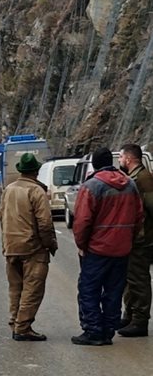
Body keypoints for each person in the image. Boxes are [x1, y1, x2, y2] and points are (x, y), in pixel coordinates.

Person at [71, 148, 144, 346]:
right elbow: (139, 217)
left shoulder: (92, 186)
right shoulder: (130, 184)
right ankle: (109, 330)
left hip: (97, 249)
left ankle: (94, 331)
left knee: (89, 289)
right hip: (122, 249)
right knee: (114, 291)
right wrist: (128, 238)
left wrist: (82, 244)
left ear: (94, 164)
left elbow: (82, 221)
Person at [0, 153, 58, 341]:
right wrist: (50, 244)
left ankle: (15, 322)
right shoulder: (36, 191)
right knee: (33, 289)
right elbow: (45, 224)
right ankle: (22, 327)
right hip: (32, 248)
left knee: (15, 288)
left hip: (11, 246)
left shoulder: (9, 189)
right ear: (36, 171)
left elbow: (1, 216)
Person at [117, 144, 153, 337]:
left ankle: (140, 321)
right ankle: (129, 315)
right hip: (133, 239)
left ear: (129, 159)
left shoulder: (144, 178)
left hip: (142, 240)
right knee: (130, 279)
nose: (120, 161)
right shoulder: (133, 178)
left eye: (121, 157)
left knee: (139, 280)